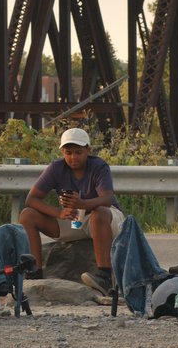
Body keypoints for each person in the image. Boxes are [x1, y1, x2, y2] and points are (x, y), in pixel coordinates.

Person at [18, 127, 125, 296]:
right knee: (27, 215)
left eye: (78, 152)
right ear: (62, 152)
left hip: (104, 218)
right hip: (74, 218)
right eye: (68, 153)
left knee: (99, 213)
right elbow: (32, 199)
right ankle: (35, 272)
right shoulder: (56, 168)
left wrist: (83, 203)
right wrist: (58, 213)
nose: (73, 157)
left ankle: (104, 276)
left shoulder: (98, 166)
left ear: (88, 150)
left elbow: (107, 198)